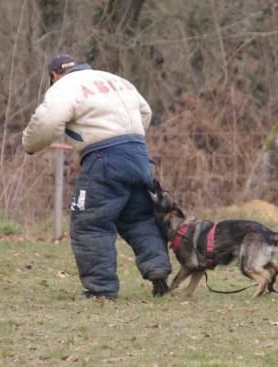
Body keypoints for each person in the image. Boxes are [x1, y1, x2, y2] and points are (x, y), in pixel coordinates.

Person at [22, 54, 171, 300]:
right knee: (139, 218)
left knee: (90, 223)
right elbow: (146, 111)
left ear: (54, 75)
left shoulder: (64, 86)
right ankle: (158, 272)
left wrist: (30, 144)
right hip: (139, 155)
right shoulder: (115, 79)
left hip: (104, 159)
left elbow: (47, 122)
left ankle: (101, 289)